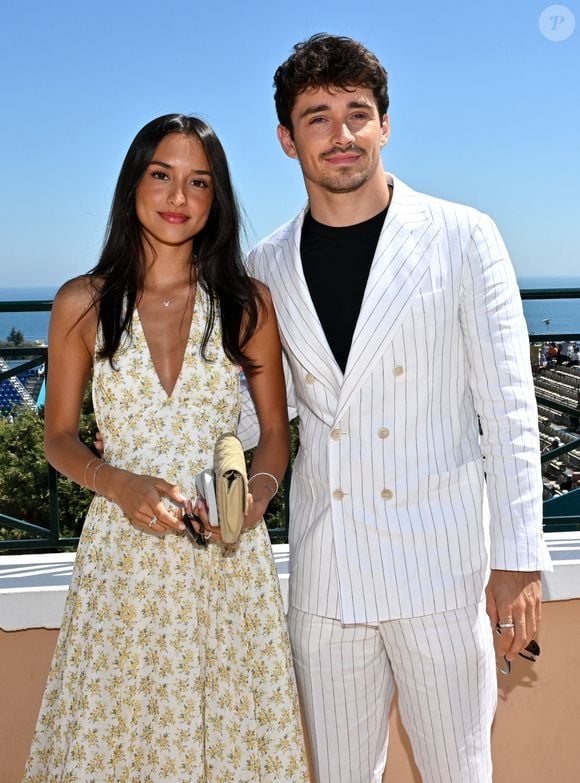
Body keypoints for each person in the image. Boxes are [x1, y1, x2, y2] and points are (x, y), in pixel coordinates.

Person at [239, 34, 552, 783]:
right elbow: (256, 421)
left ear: (385, 126)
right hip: (327, 571)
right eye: (317, 117)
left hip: (440, 568)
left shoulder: (462, 236)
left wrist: (518, 559)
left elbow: (509, 407)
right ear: (287, 139)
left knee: (458, 771)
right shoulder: (263, 265)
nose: (340, 135)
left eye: (357, 113)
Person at [24, 114, 308, 783]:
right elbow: (58, 436)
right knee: (117, 739)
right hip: (122, 568)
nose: (178, 196)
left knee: (234, 744)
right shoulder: (81, 302)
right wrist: (117, 483)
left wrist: (252, 499)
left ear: (216, 200)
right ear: (132, 185)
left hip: (225, 561)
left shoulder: (247, 304)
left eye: (198, 182)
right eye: (162, 175)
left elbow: (274, 433)